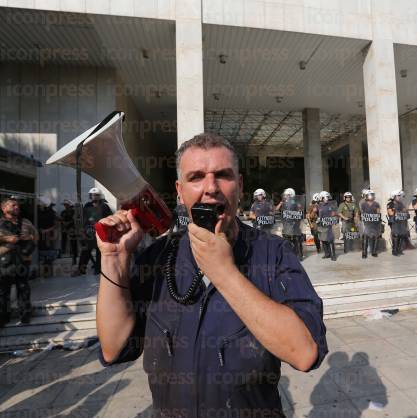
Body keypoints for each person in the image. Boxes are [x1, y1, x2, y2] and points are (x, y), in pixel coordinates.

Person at [96, 133, 327, 417]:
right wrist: (113, 261)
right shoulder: (157, 258)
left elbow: (305, 353)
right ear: (179, 191)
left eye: (223, 175)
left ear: (240, 186)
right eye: (196, 177)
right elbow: (113, 348)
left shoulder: (273, 253)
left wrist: (225, 274)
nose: (211, 188)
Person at [0, 197, 37, 326]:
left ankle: (25, 316)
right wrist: (8, 239)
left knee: (23, 289)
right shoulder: (0, 222)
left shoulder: (26, 222)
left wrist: (29, 241)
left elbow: (35, 236)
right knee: (3, 291)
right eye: (13, 205)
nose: (16, 207)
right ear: (4, 208)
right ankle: (3, 318)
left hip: (23, 261)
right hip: (5, 262)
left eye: (17, 205)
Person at [74, 188, 112, 276]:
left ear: (99, 196)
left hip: (101, 232)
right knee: (86, 251)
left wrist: (101, 223)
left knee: (100, 252)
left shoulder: (104, 206)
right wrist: (82, 231)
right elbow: (84, 219)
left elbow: (110, 219)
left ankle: (98, 270)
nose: (93, 196)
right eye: (92, 195)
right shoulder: (87, 205)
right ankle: (81, 270)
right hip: (89, 232)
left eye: (95, 195)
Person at [276, 188, 305, 260]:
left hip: (294, 224)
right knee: (287, 239)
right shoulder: (284, 203)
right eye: (285, 195)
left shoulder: (295, 202)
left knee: (297, 239)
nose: (285, 196)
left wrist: (296, 217)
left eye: (287, 195)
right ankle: (289, 255)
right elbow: (276, 209)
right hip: (286, 224)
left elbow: (300, 211)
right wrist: (280, 203)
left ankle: (300, 255)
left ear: (291, 195)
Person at [37, 197, 58, 277]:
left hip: (48, 236)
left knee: (48, 253)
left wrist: (47, 230)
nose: (39, 205)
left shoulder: (51, 213)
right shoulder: (38, 212)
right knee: (41, 252)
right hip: (39, 235)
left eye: (40, 204)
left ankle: (47, 272)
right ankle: (41, 271)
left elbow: (56, 225)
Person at [315, 191, 338, 261]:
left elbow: (334, 214)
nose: (326, 199)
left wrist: (334, 216)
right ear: (321, 198)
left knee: (330, 240)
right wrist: (316, 215)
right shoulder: (318, 206)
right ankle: (327, 254)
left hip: (329, 225)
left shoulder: (331, 205)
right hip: (321, 225)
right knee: (323, 240)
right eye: (325, 197)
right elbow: (314, 214)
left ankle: (333, 255)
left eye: (327, 197)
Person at [360, 190, 382, 258]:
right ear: (366, 196)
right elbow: (362, 212)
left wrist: (378, 219)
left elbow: (378, 212)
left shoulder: (376, 204)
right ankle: (364, 253)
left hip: (375, 223)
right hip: (367, 223)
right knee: (366, 236)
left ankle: (374, 252)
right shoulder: (363, 204)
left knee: (375, 236)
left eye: (372, 195)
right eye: (369, 195)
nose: (370, 196)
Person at [387, 190, 409, 256]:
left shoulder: (401, 204)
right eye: (398, 196)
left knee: (401, 235)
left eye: (399, 196)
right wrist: (395, 210)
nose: (399, 197)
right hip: (394, 221)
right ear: (393, 196)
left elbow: (405, 211)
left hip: (402, 221)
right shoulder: (390, 204)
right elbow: (390, 213)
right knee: (396, 235)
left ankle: (399, 250)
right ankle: (394, 250)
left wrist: (405, 211)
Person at [60, 199, 78, 265]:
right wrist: (63, 223)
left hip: (72, 229)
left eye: (66, 204)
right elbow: (61, 220)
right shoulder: (63, 212)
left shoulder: (74, 211)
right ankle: (63, 253)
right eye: (65, 205)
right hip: (65, 229)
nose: (65, 206)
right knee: (64, 242)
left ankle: (74, 258)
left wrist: (68, 223)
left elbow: (76, 219)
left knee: (73, 244)